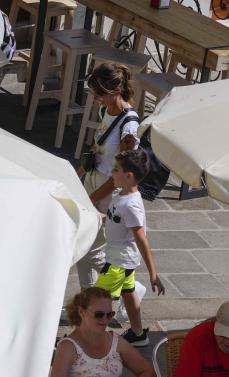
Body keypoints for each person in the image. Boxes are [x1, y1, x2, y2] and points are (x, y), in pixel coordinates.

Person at [75, 62, 141, 289]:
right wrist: (78, 174)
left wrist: (91, 199)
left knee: (92, 250)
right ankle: (88, 300)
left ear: (115, 91)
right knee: (82, 244)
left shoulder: (129, 126)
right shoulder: (106, 111)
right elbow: (97, 146)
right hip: (93, 178)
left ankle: (128, 290)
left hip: (108, 190)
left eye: (99, 94)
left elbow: (121, 176)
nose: (96, 99)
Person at [93, 149, 164, 347]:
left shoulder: (131, 206)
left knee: (96, 303)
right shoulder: (121, 195)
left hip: (118, 262)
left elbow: (142, 240)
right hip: (124, 260)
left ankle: (89, 340)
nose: (112, 173)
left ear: (128, 175)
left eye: (116, 170)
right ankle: (138, 334)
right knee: (128, 291)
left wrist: (153, 274)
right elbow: (117, 221)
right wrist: (101, 217)